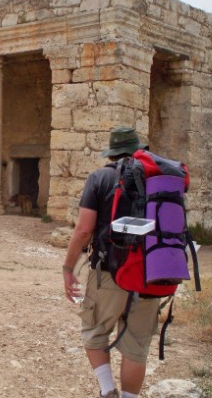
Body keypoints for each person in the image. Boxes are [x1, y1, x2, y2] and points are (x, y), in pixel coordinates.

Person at [62, 127, 160, 398]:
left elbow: (83, 230)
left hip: (111, 272)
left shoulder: (100, 178)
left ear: (113, 152)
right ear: (137, 149)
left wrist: (68, 268)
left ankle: (108, 392)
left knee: (94, 331)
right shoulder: (158, 179)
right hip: (151, 274)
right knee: (136, 346)